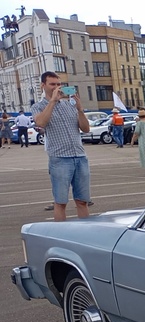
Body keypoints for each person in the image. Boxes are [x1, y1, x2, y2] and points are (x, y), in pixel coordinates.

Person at [31, 72, 91, 220]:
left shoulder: (69, 105)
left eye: (59, 84)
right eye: (52, 84)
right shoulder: (38, 106)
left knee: (83, 201)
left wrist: (80, 109)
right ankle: (60, 234)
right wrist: (52, 101)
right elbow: (41, 123)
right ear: (43, 86)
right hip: (60, 159)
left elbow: (86, 129)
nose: (57, 87)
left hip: (80, 156)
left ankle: (86, 234)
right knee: (61, 202)